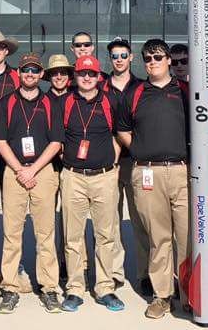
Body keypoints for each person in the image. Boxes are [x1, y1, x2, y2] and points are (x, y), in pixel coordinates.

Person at [116, 39, 189, 320]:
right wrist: (140, 149)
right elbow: (123, 129)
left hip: (181, 171)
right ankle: (162, 295)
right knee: (158, 238)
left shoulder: (185, 92)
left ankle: (188, 294)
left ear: (169, 60)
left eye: (158, 57)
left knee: (186, 237)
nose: (153, 62)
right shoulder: (134, 93)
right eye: (148, 58)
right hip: (147, 172)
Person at [0, 53, 64, 314]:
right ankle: (10, 287)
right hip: (14, 171)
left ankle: (49, 288)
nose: (30, 74)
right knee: (12, 234)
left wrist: (33, 169)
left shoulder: (50, 103)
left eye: (35, 70)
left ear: (41, 74)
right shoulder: (7, 102)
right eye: (26, 70)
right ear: (19, 73)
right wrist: (19, 169)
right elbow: (0, 140)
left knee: (45, 234)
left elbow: (56, 142)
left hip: (42, 171)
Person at [58, 55, 123, 313]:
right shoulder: (65, 102)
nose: (87, 78)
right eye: (82, 73)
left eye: (92, 74)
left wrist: (112, 163)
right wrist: (71, 163)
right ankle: (75, 288)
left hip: (104, 176)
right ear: (75, 76)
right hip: (73, 176)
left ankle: (104, 287)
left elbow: (119, 135)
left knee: (105, 235)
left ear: (99, 76)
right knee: (73, 236)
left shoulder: (110, 101)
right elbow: (58, 139)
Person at [103, 38, 142, 291]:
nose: (119, 60)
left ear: (131, 57)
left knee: (141, 219)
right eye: (115, 56)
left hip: (136, 160)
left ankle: (145, 273)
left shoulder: (142, 87)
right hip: (108, 162)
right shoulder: (100, 88)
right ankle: (115, 272)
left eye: (123, 55)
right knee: (111, 221)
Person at [43, 54, 74, 280]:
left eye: (63, 72)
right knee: (47, 220)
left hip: (74, 165)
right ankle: (53, 264)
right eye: (55, 73)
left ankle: (72, 264)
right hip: (49, 166)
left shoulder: (77, 97)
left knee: (72, 220)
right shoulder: (43, 100)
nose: (59, 76)